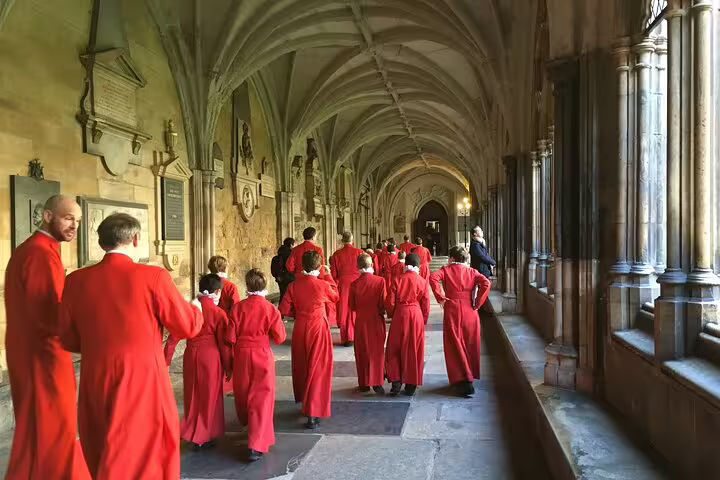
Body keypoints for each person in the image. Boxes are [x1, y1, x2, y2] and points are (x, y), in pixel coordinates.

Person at [59, 213, 204, 480]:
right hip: (144, 378)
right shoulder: (153, 277)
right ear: (136, 240)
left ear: (101, 243)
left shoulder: (76, 281)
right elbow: (186, 327)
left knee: (101, 442)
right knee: (147, 449)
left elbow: (67, 338)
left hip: (96, 376)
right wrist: (197, 309)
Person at [4, 194, 89, 480]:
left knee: (37, 425)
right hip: (44, 353)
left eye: (77, 220)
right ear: (48, 216)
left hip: (28, 349)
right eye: (68, 218)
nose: (74, 226)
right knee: (57, 423)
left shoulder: (32, 248)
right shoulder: (40, 253)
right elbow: (51, 314)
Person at [164, 274, 231, 450]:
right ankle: (206, 433)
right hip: (210, 356)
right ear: (217, 291)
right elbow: (224, 344)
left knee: (192, 393)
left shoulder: (188, 309)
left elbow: (173, 337)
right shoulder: (218, 313)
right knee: (210, 395)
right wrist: (229, 366)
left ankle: (193, 430)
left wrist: (166, 359)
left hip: (191, 354)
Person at [226, 269, 286, 462]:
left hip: (242, 355)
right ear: (265, 285)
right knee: (262, 397)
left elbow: (230, 337)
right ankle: (257, 443)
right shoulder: (270, 309)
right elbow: (280, 337)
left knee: (243, 393)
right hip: (262, 354)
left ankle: (247, 422)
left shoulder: (237, 308)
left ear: (247, 286)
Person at [279, 251, 339, 429]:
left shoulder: (293, 285)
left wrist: (297, 313)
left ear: (302, 266)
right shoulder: (322, 284)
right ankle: (313, 412)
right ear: (319, 266)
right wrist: (328, 275)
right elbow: (336, 296)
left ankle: (305, 400)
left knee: (303, 366)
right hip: (318, 327)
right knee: (318, 367)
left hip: (300, 327)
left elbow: (283, 309)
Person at [429, 246, 491, 397]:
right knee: (470, 343)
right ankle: (469, 376)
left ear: (451, 259)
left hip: (452, 309)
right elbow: (486, 283)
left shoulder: (446, 270)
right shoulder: (472, 272)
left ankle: (462, 379)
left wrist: (441, 297)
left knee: (454, 343)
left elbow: (433, 278)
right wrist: (477, 303)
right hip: (470, 310)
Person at [384, 253, 430, 396]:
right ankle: (411, 384)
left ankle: (396, 380)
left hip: (400, 314)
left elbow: (390, 301)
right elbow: (426, 303)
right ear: (418, 266)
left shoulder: (398, 280)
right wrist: (423, 320)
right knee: (414, 349)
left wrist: (392, 314)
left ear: (405, 265)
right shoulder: (422, 281)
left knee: (394, 348)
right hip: (416, 315)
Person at [349, 254, 387, 395]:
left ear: (358, 267)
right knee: (376, 351)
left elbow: (352, 306)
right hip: (375, 319)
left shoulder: (354, 284)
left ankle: (364, 383)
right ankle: (377, 382)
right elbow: (383, 303)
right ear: (371, 265)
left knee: (361, 351)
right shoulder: (380, 281)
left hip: (360, 321)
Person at [208, 255, 239, 395]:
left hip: (209, 322)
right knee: (226, 353)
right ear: (225, 268)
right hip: (226, 323)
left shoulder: (207, 284)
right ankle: (227, 382)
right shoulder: (230, 286)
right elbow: (236, 307)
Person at [331, 231, 364, 347]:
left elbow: (334, 274)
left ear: (342, 241)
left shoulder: (336, 254)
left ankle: (346, 338)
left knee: (344, 310)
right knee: (356, 309)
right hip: (357, 283)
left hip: (343, 284)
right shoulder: (359, 252)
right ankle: (356, 335)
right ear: (352, 240)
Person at [271, 237, 295, 303]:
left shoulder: (279, 254)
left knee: (283, 294)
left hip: (280, 278)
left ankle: (281, 310)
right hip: (290, 278)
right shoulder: (290, 255)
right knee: (290, 296)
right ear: (291, 245)